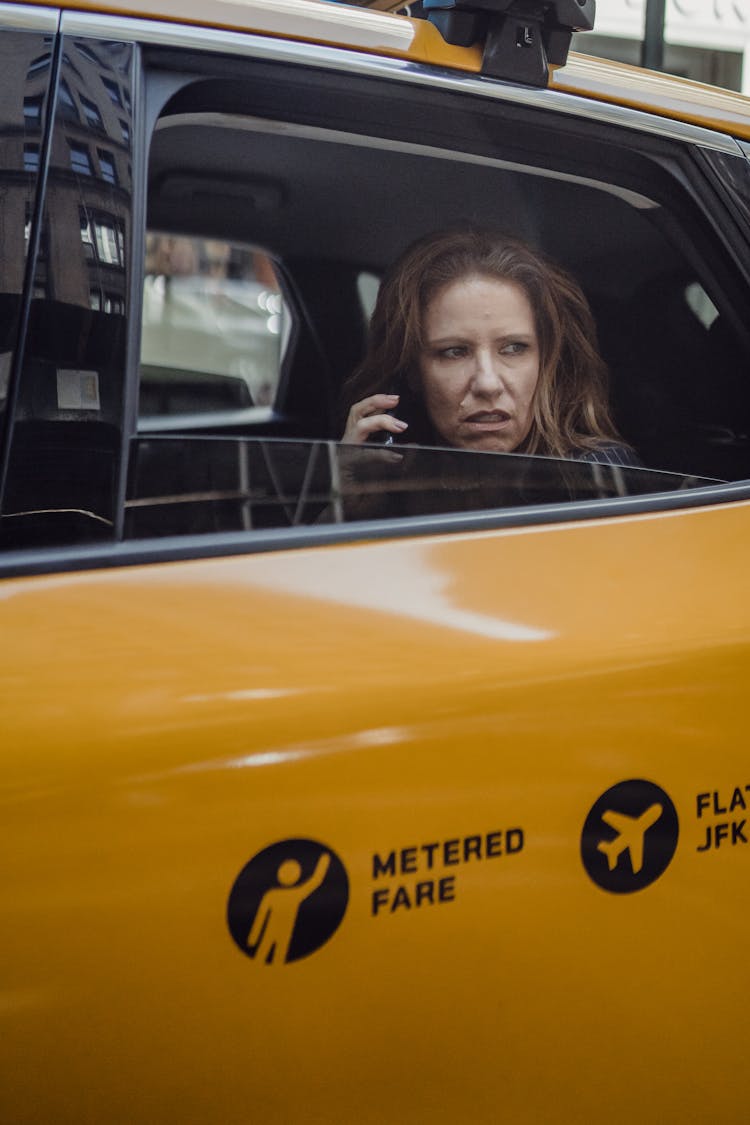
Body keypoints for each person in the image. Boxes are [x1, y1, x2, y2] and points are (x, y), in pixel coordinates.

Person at [341, 228, 638, 466]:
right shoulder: (389, 478)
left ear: (546, 361)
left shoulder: (596, 473)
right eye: (454, 352)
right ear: (411, 372)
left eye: (513, 348)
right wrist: (343, 502)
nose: (487, 384)